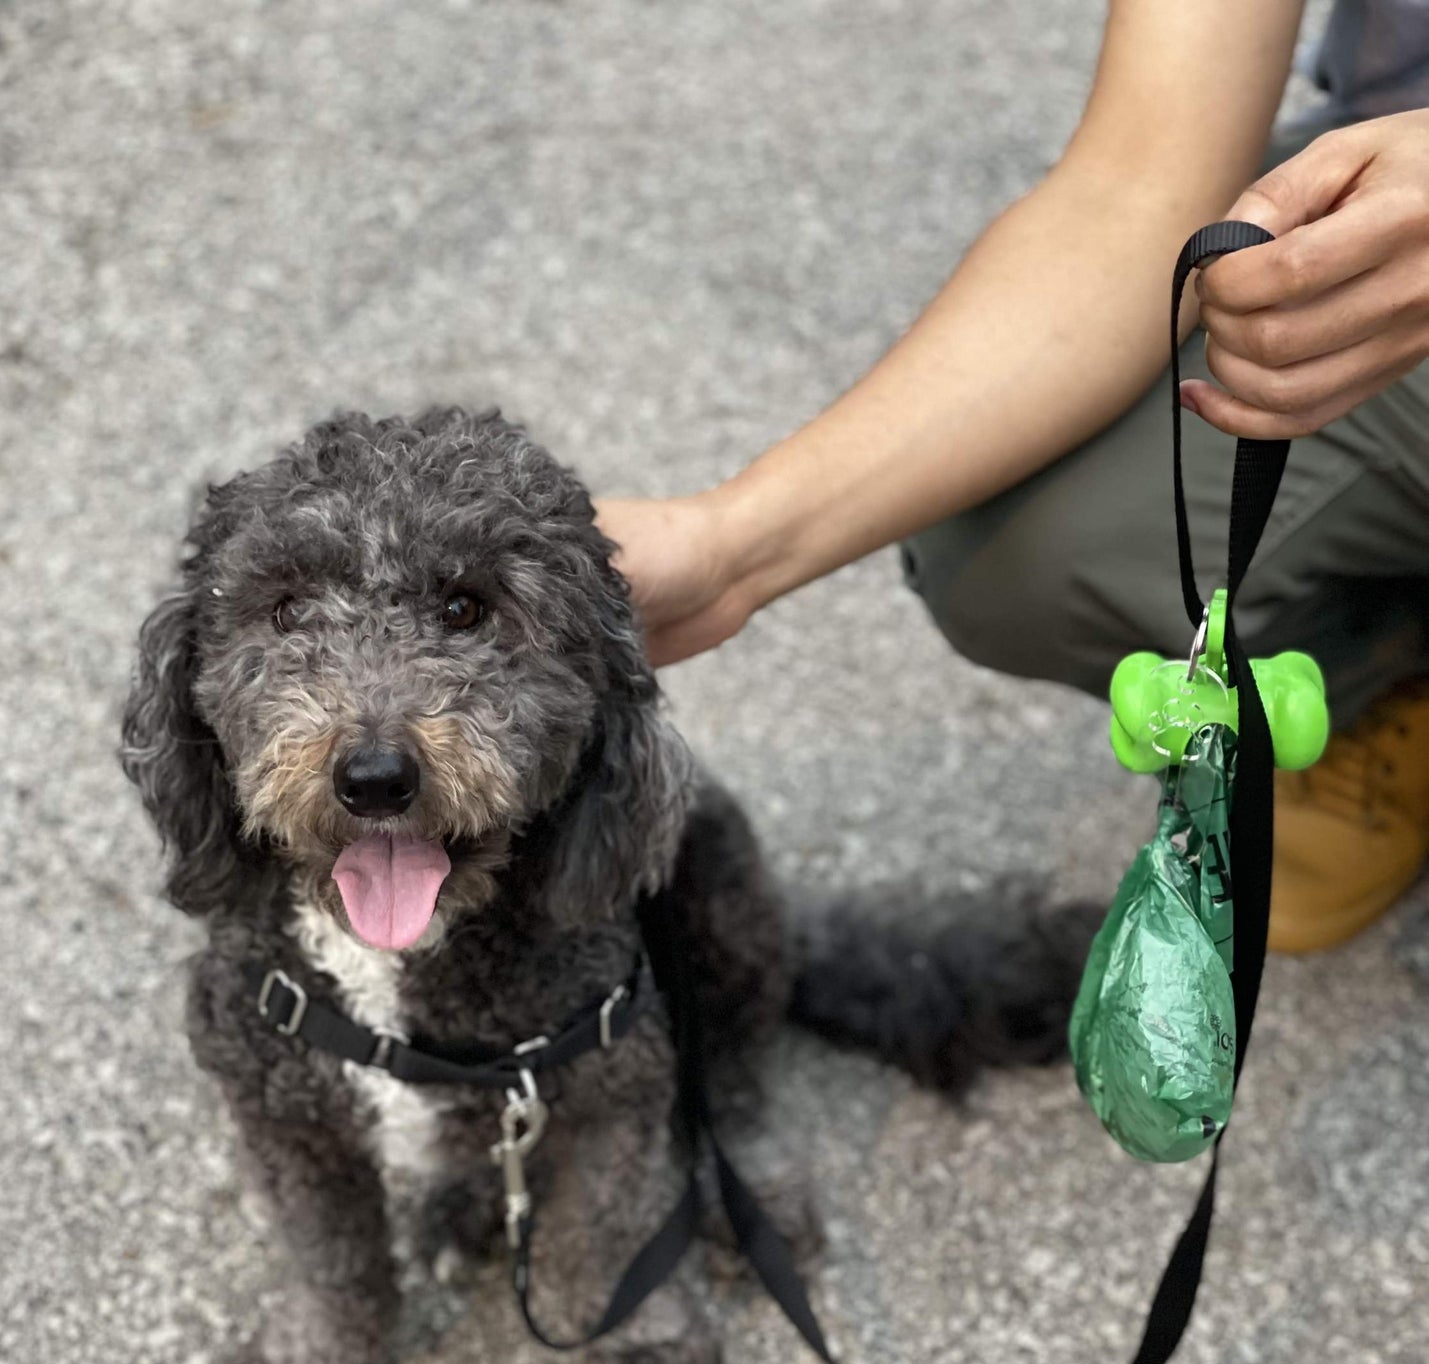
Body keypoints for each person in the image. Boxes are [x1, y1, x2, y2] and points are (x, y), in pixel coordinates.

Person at [598, 0, 1429, 955]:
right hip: (1390, 258)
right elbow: (1136, 185)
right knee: (1016, 542)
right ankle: (1381, 677)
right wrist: (730, 544)